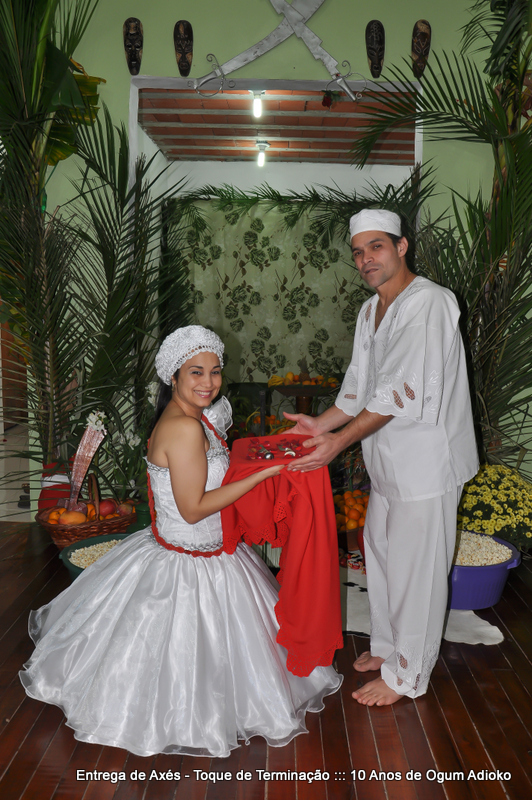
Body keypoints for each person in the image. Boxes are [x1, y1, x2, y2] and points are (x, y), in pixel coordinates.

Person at [20, 325, 342, 757]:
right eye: (196, 372)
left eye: (215, 371)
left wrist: (274, 451)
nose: (208, 382)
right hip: (187, 559)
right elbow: (193, 509)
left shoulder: (198, 417)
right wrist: (267, 472)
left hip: (209, 552)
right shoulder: (184, 428)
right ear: (173, 377)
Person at [285, 209, 478, 706]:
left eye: (377, 247)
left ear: (401, 246)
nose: (366, 259)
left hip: (426, 464)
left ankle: (407, 676)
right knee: (383, 556)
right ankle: (390, 649)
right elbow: (359, 388)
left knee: (417, 572)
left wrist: (339, 442)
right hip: (387, 463)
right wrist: (320, 425)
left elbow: (398, 392)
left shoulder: (429, 302)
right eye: (358, 251)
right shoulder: (370, 310)